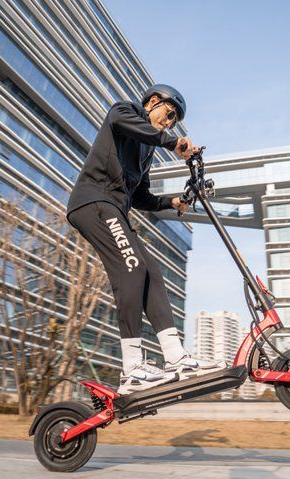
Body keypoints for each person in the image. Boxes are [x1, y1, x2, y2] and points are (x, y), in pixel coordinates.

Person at [66, 84, 226, 394]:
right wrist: (171, 142)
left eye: (173, 121)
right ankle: (132, 369)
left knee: (150, 270)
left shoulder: (145, 152)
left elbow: (141, 196)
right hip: (93, 202)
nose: (169, 123)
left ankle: (175, 357)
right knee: (132, 267)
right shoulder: (124, 111)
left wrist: (172, 204)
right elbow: (129, 125)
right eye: (169, 115)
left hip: (113, 209)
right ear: (153, 102)